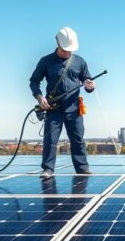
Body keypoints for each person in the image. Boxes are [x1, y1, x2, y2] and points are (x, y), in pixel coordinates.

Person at [29, 27, 96, 178]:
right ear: (58, 43)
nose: (68, 53)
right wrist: (40, 98)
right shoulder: (45, 61)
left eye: (70, 50)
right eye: (65, 50)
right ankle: (48, 169)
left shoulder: (80, 62)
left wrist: (90, 86)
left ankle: (82, 169)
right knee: (50, 140)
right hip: (54, 110)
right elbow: (34, 82)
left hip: (74, 109)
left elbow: (87, 81)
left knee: (78, 139)